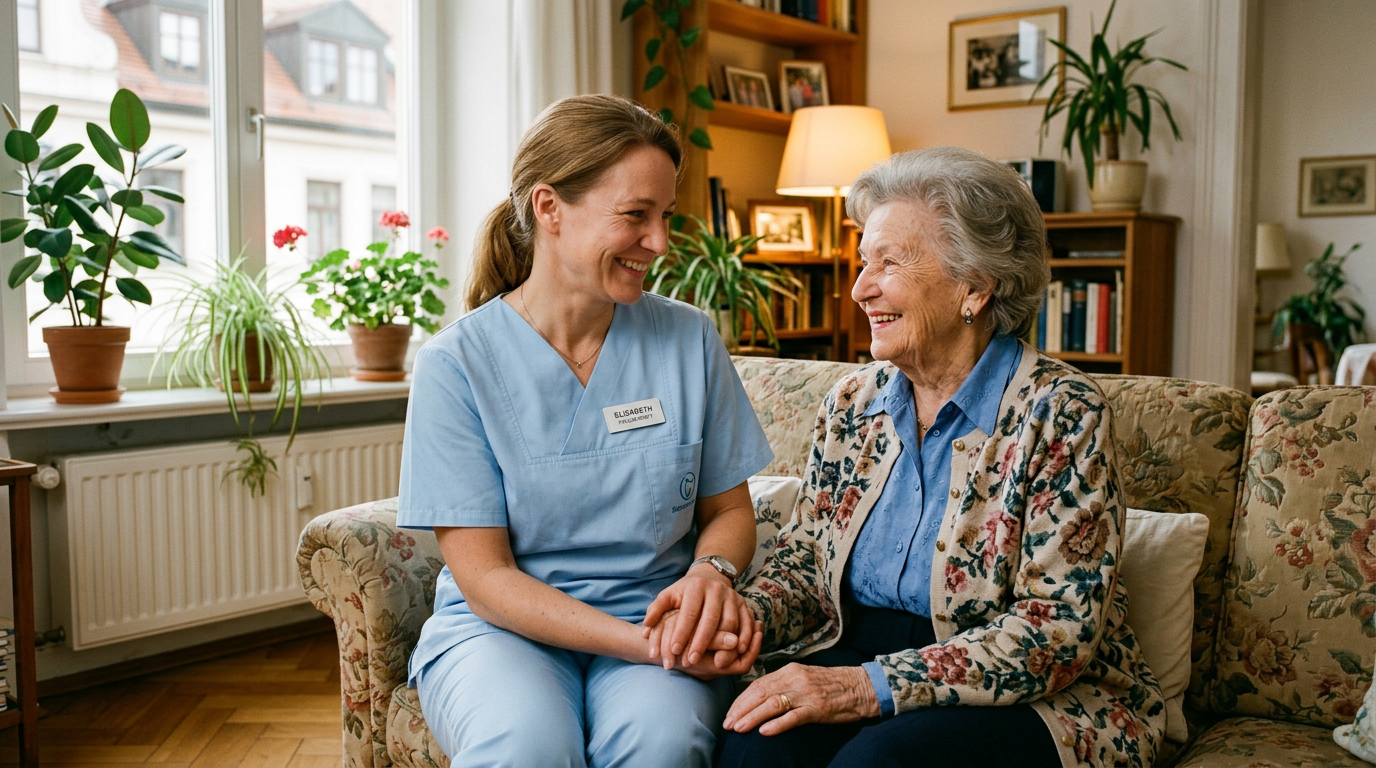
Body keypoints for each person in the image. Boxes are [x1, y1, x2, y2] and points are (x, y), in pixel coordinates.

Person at [717, 146, 1165, 768]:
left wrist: (867, 688)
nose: (859, 288)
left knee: (879, 766)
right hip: (856, 647)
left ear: (975, 289)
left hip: (1029, 691)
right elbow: (806, 562)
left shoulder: (1060, 412)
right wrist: (742, 621)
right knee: (752, 750)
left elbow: (1056, 630)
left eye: (890, 263)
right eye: (863, 261)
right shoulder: (851, 402)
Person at [397, 94, 771, 768]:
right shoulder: (456, 365)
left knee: (663, 745)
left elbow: (729, 510)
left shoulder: (688, 340)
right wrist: (646, 646)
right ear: (549, 209)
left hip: (656, 618)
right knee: (527, 748)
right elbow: (486, 579)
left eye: (664, 218)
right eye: (635, 216)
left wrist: (713, 575)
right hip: (501, 632)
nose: (658, 243)